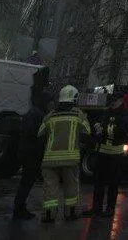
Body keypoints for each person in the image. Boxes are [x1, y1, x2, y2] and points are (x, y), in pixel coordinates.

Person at [38, 84, 91, 223]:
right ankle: (70, 213)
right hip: (70, 160)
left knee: (50, 188)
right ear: (74, 98)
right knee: (71, 187)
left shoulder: (50, 115)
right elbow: (87, 134)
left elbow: (40, 135)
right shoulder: (78, 115)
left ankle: (49, 215)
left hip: (49, 160)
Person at [83, 98, 126, 218]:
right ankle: (96, 208)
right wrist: (97, 127)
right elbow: (96, 124)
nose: (113, 103)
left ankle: (110, 209)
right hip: (101, 153)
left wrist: (104, 130)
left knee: (113, 185)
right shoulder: (106, 113)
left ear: (120, 102)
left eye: (115, 101)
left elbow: (121, 130)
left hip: (115, 156)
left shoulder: (123, 115)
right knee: (98, 183)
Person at [11, 90, 49, 220]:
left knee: (25, 182)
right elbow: (37, 135)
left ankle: (20, 208)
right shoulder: (38, 115)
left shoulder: (32, 112)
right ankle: (19, 209)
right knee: (26, 182)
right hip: (31, 154)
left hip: (26, 152)